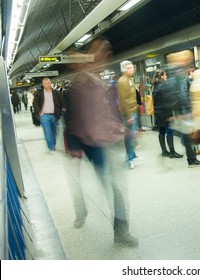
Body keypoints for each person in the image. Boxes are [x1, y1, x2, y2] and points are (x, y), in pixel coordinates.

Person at [63, 38, 138, 246]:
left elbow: (104, 114)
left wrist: (119, 127)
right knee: (78, 183)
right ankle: (81, 211)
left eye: (107, 54)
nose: (104, 58)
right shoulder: (77, 86)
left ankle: (121, 233)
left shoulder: (99, 83)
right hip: (84, 143)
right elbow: (71, 119)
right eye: (101, 54)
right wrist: (74, 147)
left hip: (100, 143)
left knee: (115, 188)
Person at [152, 69, 183, 158]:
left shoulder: (155, 86)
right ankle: (172, 152)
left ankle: (164, 151)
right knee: (169, 131)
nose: (166, 77)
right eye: (165, 75)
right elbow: (169, 99)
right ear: (161, 76)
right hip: (165, 111)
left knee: (161, 131)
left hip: (157, 111)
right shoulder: (164, 85)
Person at [33, 77, 64, 154]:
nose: (48, 84)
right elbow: (35, 103)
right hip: (44, 116)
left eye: (49, 82)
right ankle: (51, 148)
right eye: (46, 83)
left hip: (54, 115)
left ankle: (53, 144)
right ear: (43, 84)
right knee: (47, 132)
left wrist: (63, 108)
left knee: (54, 132)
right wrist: (39, 112)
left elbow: (62, 101)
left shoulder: (56, 92)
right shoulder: (39, 93)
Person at [117, 60, 139, 169]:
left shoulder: (130, 79)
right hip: (129, 113)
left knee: (132, 134)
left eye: (132, 67)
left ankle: (132, 155)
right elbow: (122, 100)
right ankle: (130, 158)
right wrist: (129, 115)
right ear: (124, 70)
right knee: (130, 136)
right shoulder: (122, 81)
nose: (131, 70)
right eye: (129, 68)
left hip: (133, 110)